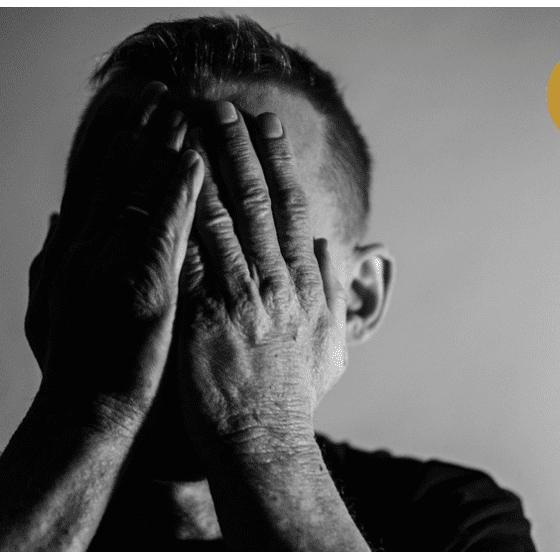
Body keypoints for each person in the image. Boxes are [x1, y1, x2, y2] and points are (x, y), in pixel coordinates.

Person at [0, 15, 535, 551]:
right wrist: (84, 414)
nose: (178, 286)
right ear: (50, 272)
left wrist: (262, 430)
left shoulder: (451, 519)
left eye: (251, 250)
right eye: (134, 230)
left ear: (360, 298)